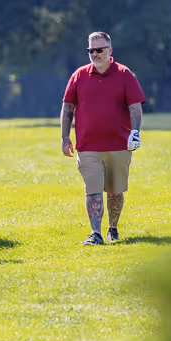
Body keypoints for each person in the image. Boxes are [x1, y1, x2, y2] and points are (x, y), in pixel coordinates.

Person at [61, 31, 146, 246]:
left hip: (118, 145)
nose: (95, 54)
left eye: (99, 49)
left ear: (110, 50)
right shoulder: (79, 75)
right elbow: (68, 107)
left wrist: (135, 132)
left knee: (115, 192)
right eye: (91, 50)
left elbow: (135, 108)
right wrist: (64, 137)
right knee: (93, 190)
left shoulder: (125, 74)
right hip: (88, 146)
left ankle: (113, 228)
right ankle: (95, 233)